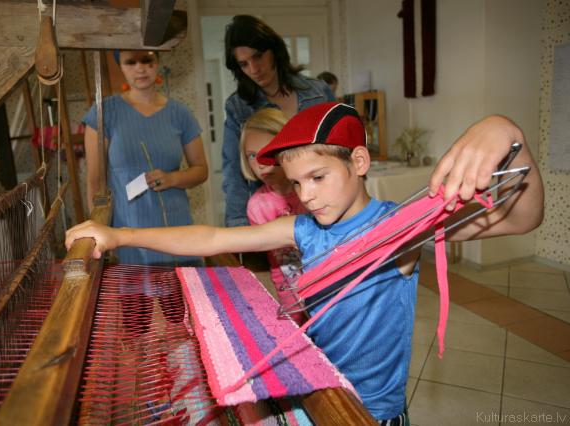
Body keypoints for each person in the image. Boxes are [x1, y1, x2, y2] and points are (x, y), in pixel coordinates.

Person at [67, 103, 544, 423]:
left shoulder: (398, 231)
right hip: (316, 391)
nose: (307, 195)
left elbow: (521, 217)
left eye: (318, 176)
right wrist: (118, 234)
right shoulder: (304, 229)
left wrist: (504, 128)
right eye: (296, 184)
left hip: (370, 413)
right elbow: (213, 236)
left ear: (358, 162)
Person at [82, 49, 208, 266]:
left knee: (183, 297)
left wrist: (172, 179)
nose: (140, 68)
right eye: (130, 62)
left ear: (158, 62)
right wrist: (99, 231)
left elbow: (201, 170)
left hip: (177, 228)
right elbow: (95, 182)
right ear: (120, 67)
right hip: (127, 230)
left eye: (147, 60)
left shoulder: (180, 113)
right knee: (136, 299)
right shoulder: (103, 113)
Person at [222, 14, 335, 227]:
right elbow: (234, 171)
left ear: (274, 50)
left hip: (327, 204)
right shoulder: (238, 107)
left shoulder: (319, 93)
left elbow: (342, 152)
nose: (254, 69)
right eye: (244, 64)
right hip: (274, 214)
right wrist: (238, 227)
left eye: (258, 57)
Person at [240, 108, 308, 324]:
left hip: (326, 282)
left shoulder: (312, 190)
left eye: (268, 151)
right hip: (288, 288)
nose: (260, 161)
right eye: (252, 155)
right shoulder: (257, 206)